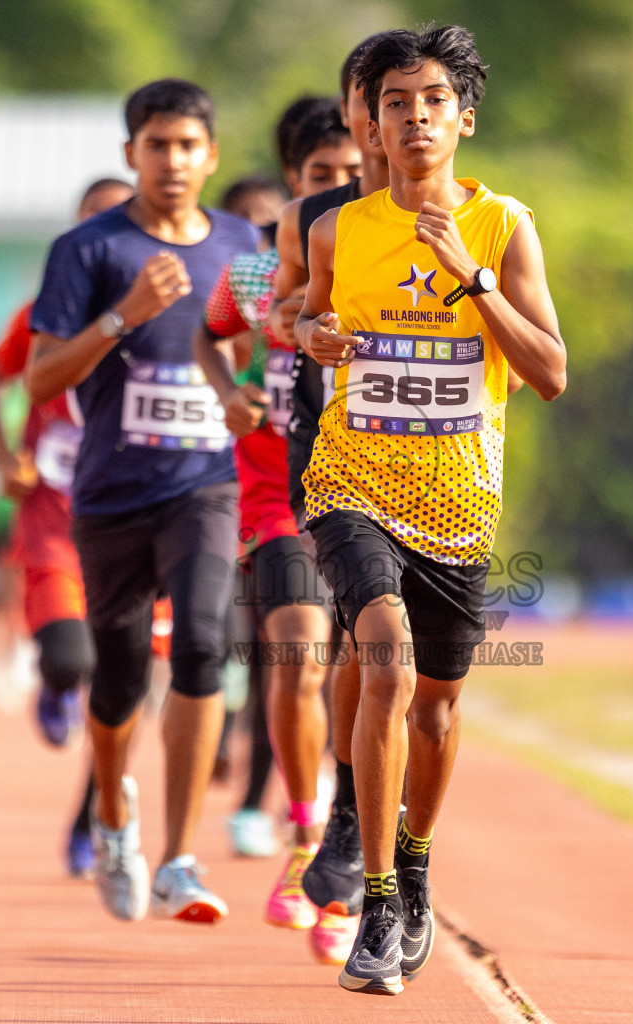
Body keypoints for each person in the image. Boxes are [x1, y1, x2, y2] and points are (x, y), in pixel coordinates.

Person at [294, 26, 566, 994]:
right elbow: (296, 312)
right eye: (397, 102)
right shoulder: (336, 226)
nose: (415, 117)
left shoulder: (504, 226)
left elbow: (549, 372)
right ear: (371, 118)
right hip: (350, 480)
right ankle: (373, 899)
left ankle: (413, 861)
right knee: (383, 660)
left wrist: (474, 280)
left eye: (434, 101)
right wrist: (311, 333)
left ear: (465, 118)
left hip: (457, 496)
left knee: (440, 711)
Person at [26, 78, 260, 924]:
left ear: (213, 156)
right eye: (157, 145)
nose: (173, 161)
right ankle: (113, 814)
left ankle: (181, 858)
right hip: (112, 494)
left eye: (189, 146)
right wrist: (123, 317)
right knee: (118, 681)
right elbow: (42, 376)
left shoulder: (243, 244)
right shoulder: (87, 251)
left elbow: (259, 350)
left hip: (205, 485)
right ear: (132, 154)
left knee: (203, 647)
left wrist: (243, 397)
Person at [192, 96, 361, 960]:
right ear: (292, 184)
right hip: (278, 495)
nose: (338, 187)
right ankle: (304, 839)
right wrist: (231, 395)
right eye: (319, 176)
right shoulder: (257, 275)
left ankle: (352, 847)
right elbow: (207, 335)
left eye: (350, 174)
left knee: (364, 682)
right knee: (295, 658)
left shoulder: (394, 263)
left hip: (376, 493)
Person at [268, 31, 395, 958]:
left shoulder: (469, 215)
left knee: (405, 669)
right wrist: (306, 327)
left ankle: (351, 825)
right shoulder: (313, 219)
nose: (388, 123)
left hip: (437, 456)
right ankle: (325, 816)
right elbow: (267, 310)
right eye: (375, 101)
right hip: (328, 453)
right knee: (337, 638)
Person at [0, 176, 136, 876]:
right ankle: (57, 680)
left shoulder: (168, 309)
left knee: (123, 690)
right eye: (89, 227)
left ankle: (92, 817)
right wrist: (6, 458)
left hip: (139, 523)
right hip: (57, 522)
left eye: (118, 223)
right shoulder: (44, 316)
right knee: (74, 660)